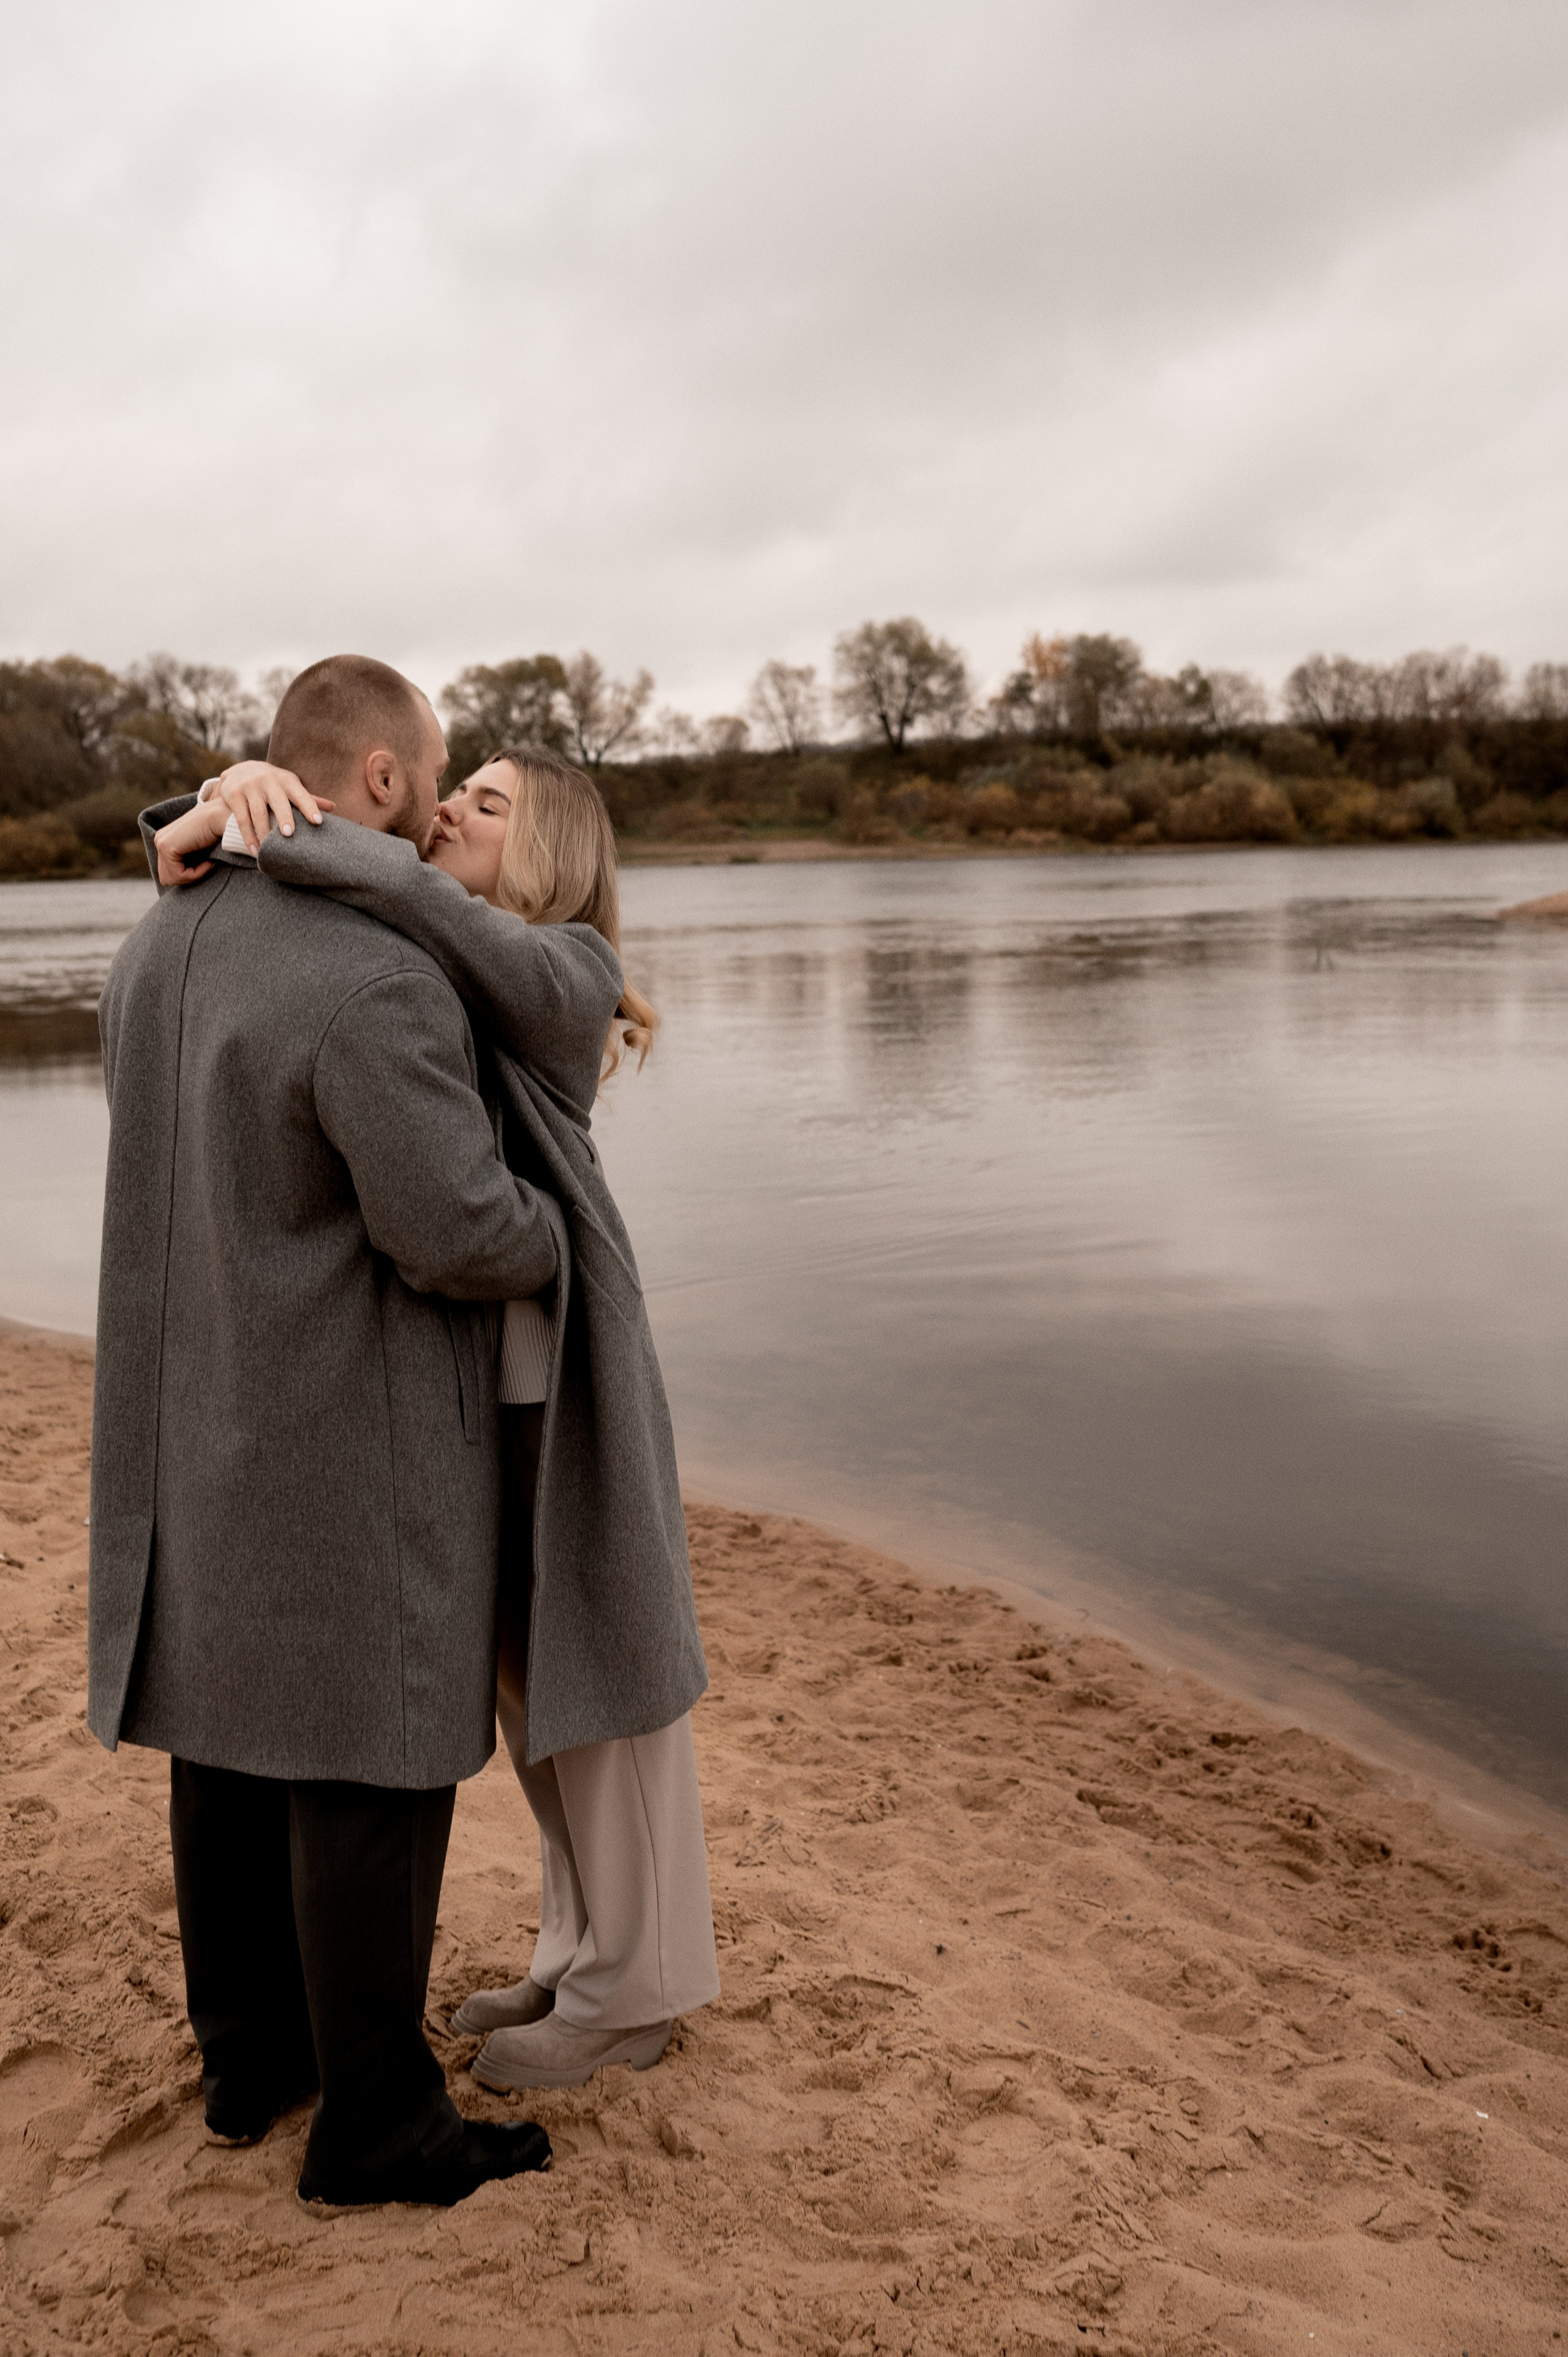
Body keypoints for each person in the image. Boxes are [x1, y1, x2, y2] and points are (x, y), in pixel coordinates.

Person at [154, 740, 720, 2097]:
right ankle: (576, 1948)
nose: (456, 806)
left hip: (570, 1375)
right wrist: (210, 810)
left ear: (552, 853)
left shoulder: (562, 964)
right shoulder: (445, 950)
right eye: (453, 787)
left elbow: (428, 913)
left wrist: (282, 824)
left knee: (614, 1690)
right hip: (486, 1385)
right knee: (534, 1688)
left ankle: (636, 1991)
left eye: (490, 802)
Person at [90, 654, 559, 2207]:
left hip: (201, 1412)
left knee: (225, 1740)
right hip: (347, 1434)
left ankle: (252, 2062)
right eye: (428, 776)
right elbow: (453, 1231)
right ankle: (376, 2121)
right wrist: (557, 1237)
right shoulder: (372, 978)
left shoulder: (158, 942)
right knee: (370, 1761)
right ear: (374, 780)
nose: (433, 807)